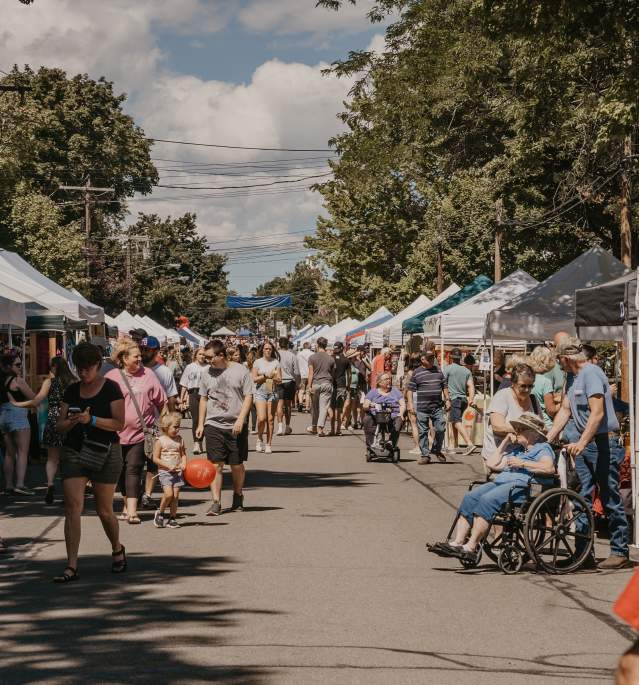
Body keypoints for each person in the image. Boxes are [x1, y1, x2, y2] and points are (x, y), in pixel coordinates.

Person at [547, 337, 629, 570]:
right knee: (581, 497)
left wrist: (582, 441)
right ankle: (583, 554)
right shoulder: (570, 378)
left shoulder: (591, 373)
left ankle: (619, 551)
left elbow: (598, 413)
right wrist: (547, 439)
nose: (558, 364)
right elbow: (564, 410)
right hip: (584, 444)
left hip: (602, 443)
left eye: (559, 359)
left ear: (565, 357)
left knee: (609, 497)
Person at [430, 413, 555, 565]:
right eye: (516, 428)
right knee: (471, 497)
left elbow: (549, 468)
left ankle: (471, 546)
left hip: (522, 486)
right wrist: (505, 442)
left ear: (534, 434)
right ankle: (458, 542)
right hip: (502, 483)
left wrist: (523, 464)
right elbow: (492, 464)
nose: (517, 431)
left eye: (521, 429)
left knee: (487, 500)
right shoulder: (518, 450)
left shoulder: (543, 448)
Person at [55, 342, 126, 582]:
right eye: (79, 368)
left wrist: (91, 419)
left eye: (87, 368)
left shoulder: (112, 388)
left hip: (106, 451)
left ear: (98, 365)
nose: (83, 373)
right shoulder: (71, 391)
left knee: (104, 510)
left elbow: (119, 424)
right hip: (75, 451)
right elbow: (59, 426)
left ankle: (117, 548)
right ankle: (71, 565)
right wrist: (75, 421)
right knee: (72, 507)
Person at [105, 339, 167, 525]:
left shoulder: (148, 374)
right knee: (121, 472)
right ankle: (126, 505)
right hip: (116, 434)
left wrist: (163, 427)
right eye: (136, 356)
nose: (140, 359)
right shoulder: (112, 377)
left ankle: (132, 511)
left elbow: (162, 402)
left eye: (141, 355)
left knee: (134, 468)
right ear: (124, 358)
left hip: (142, 433)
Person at [196, 339, 253, 516]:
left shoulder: (240, 370)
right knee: (215, 465)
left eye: (210, 357)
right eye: (205, 357)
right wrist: (200, 423)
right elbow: (203, 399)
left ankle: (238, 496)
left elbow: (248, 396)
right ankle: (216, 502)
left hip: (235, 424)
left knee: (236, 465)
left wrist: (240, 420)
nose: (207, 360)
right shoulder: (206, 374)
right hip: (213, 424)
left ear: (221, 355)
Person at [9, 357, 77, 503]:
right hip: (70, 419)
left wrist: (17, 404)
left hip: (53, 419)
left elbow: (36, 401)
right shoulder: (74, 381)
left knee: (52, 458)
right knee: (69, 458)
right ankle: (68, 491)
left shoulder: (49, 382)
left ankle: (50, 485)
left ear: (53, 367)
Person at [140, 336, 178, 508]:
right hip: (136, 422)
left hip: (157, 423)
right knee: (133, 462)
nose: (143, 352)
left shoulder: (164, 372)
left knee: (152, 462)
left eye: (147, 350)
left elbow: (170, 399)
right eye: (142, 348)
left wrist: (170, 423)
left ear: (156, 352)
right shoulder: (135, 369)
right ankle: (133, 492)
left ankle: (147, 494)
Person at [482, 363, 542, 465]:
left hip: (524, 453)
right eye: (523, 386)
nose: (527, 390)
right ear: (513, 383)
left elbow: (541, 426)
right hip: (501, 454)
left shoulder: (533, 399)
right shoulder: (502, 396)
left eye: (530, 386)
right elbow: (497, 427)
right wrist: (523, 430)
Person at [0, 353, 36, 495]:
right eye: (18, 365)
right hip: (18, 416)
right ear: (9, 367)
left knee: (9, 453)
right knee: (22, 452)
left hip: (3, 416)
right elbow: (33, 397)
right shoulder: (18, 381)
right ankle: (20, 484)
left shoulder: (1, 382)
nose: (21, 367)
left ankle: (8, 485)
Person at [407, 351, 450, 464]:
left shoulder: (438, 370)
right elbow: (410, 390)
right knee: (423, 431)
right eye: (429, 359)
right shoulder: (416, 373)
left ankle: (436, 449)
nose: (432, 361)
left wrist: (447, 399)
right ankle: (425, 455)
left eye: (432, 359)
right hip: (422, 407)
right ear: (422, 359)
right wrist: (410, 404)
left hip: (437, 407)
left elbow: (444, 385)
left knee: (440, 428)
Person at [152, 411, 187, 529]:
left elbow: (183, 454)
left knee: (176, 496)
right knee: (168, 494)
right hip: (165, 472)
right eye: (175, 427)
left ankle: (172, 518)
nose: (177, 429)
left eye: (179, 427)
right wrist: (167, 465)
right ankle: (160, 513)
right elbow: (155, 458)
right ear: (166, 427)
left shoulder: (179, 439)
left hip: (177, 472)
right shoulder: (160, 440)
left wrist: (184, 464)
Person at [444, 348, 477, 456]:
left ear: (451, 357)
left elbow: (443, 384)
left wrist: (446, 398)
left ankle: (469, 443)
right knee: (454, 422)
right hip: (463, 400)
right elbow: (471, 386)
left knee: (456, 421)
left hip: (454, 399)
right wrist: (471, 399)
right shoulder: (466, 371)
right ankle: (452, 446)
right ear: (460, 358)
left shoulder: (447, 369)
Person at [362, 373, 406, 449]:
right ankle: (371, 444)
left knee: (399, 419)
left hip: (392, 416)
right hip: (376, 416)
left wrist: (401, 413)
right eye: (386, 379)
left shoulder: (395, 391)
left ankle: (391, 442)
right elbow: (365, 405)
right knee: (367, 419)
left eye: (389, 379)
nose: (389, 381)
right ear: (379, 382)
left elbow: (402, 404)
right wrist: (371, 405)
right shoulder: (373, 392)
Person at [252, 340, 281, 453]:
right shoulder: (257, 362)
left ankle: (269, 444)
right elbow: (254, 379)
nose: (268, 351)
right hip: (260, 392)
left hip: (272, 392)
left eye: (270, 349)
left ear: (272, 350)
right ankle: (259, 438)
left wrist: (273, 377)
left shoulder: (276, 362)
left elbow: (279, 379)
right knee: (262, 418)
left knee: (270, 420)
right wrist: (265, 376)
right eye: (266, 349)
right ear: (262, 350)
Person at [178, 347, 208, 455]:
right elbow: (185, 384)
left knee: (203, 420)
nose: (202, 356)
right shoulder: (190, 367)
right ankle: (196, 442)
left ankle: (200, 441)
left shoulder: (208, 367)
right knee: (195, 419)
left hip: (205, 395)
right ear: (195, 355)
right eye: (200, 354)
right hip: (193, 393)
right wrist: (181, 400)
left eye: (204, 354)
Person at [307, 336, 335, 437]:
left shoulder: (312, 358)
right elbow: (332, 374)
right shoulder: (331, 359)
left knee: (314, 407)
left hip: (315, 384)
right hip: (326, 383)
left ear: (317, 345)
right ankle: (320, 429)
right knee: (324, 407)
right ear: (326, 346)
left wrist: (308, 386)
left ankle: (314, 426)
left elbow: (310, 373)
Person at [528, 346, 558, 429]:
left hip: (531, 422)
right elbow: (551, 410)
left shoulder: (527, 378)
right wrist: (563, 404)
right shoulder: (545, 381)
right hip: (545, 425)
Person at [276, 337, 299, 436]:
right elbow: (297, 372)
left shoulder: (276, 355)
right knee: (288, 405)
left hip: (278, 381)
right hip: (290, 381)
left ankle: (280, 427)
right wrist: (297, 383)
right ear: (288, 345)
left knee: (279, 404)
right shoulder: (292, 355)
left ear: (279, 344)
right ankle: (288, 426)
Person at [330, 341, 351, 436]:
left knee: (331, 407)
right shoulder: (346, 359)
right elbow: (349, 375)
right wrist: (349, 385)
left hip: (332, 384)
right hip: (342, 385)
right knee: (339, 409)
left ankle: (332, 429)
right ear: (342, 348)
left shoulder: (331, 358)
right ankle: (338, 429)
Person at [297, 342, 313, 412]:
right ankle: (307, 407)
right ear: (309, 347)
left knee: (301, 390)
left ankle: (300, 403)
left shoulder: (299, 354)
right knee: (307, 392)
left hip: (301, 374)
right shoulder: (312, 354)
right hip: (310, 374)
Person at [245, 348, 258, 434]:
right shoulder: (257, 367)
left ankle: (245, 428)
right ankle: (253, 428)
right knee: (254, 411)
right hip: (254, 390)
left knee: (246, 411)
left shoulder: (244, 366)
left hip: (246, 391)